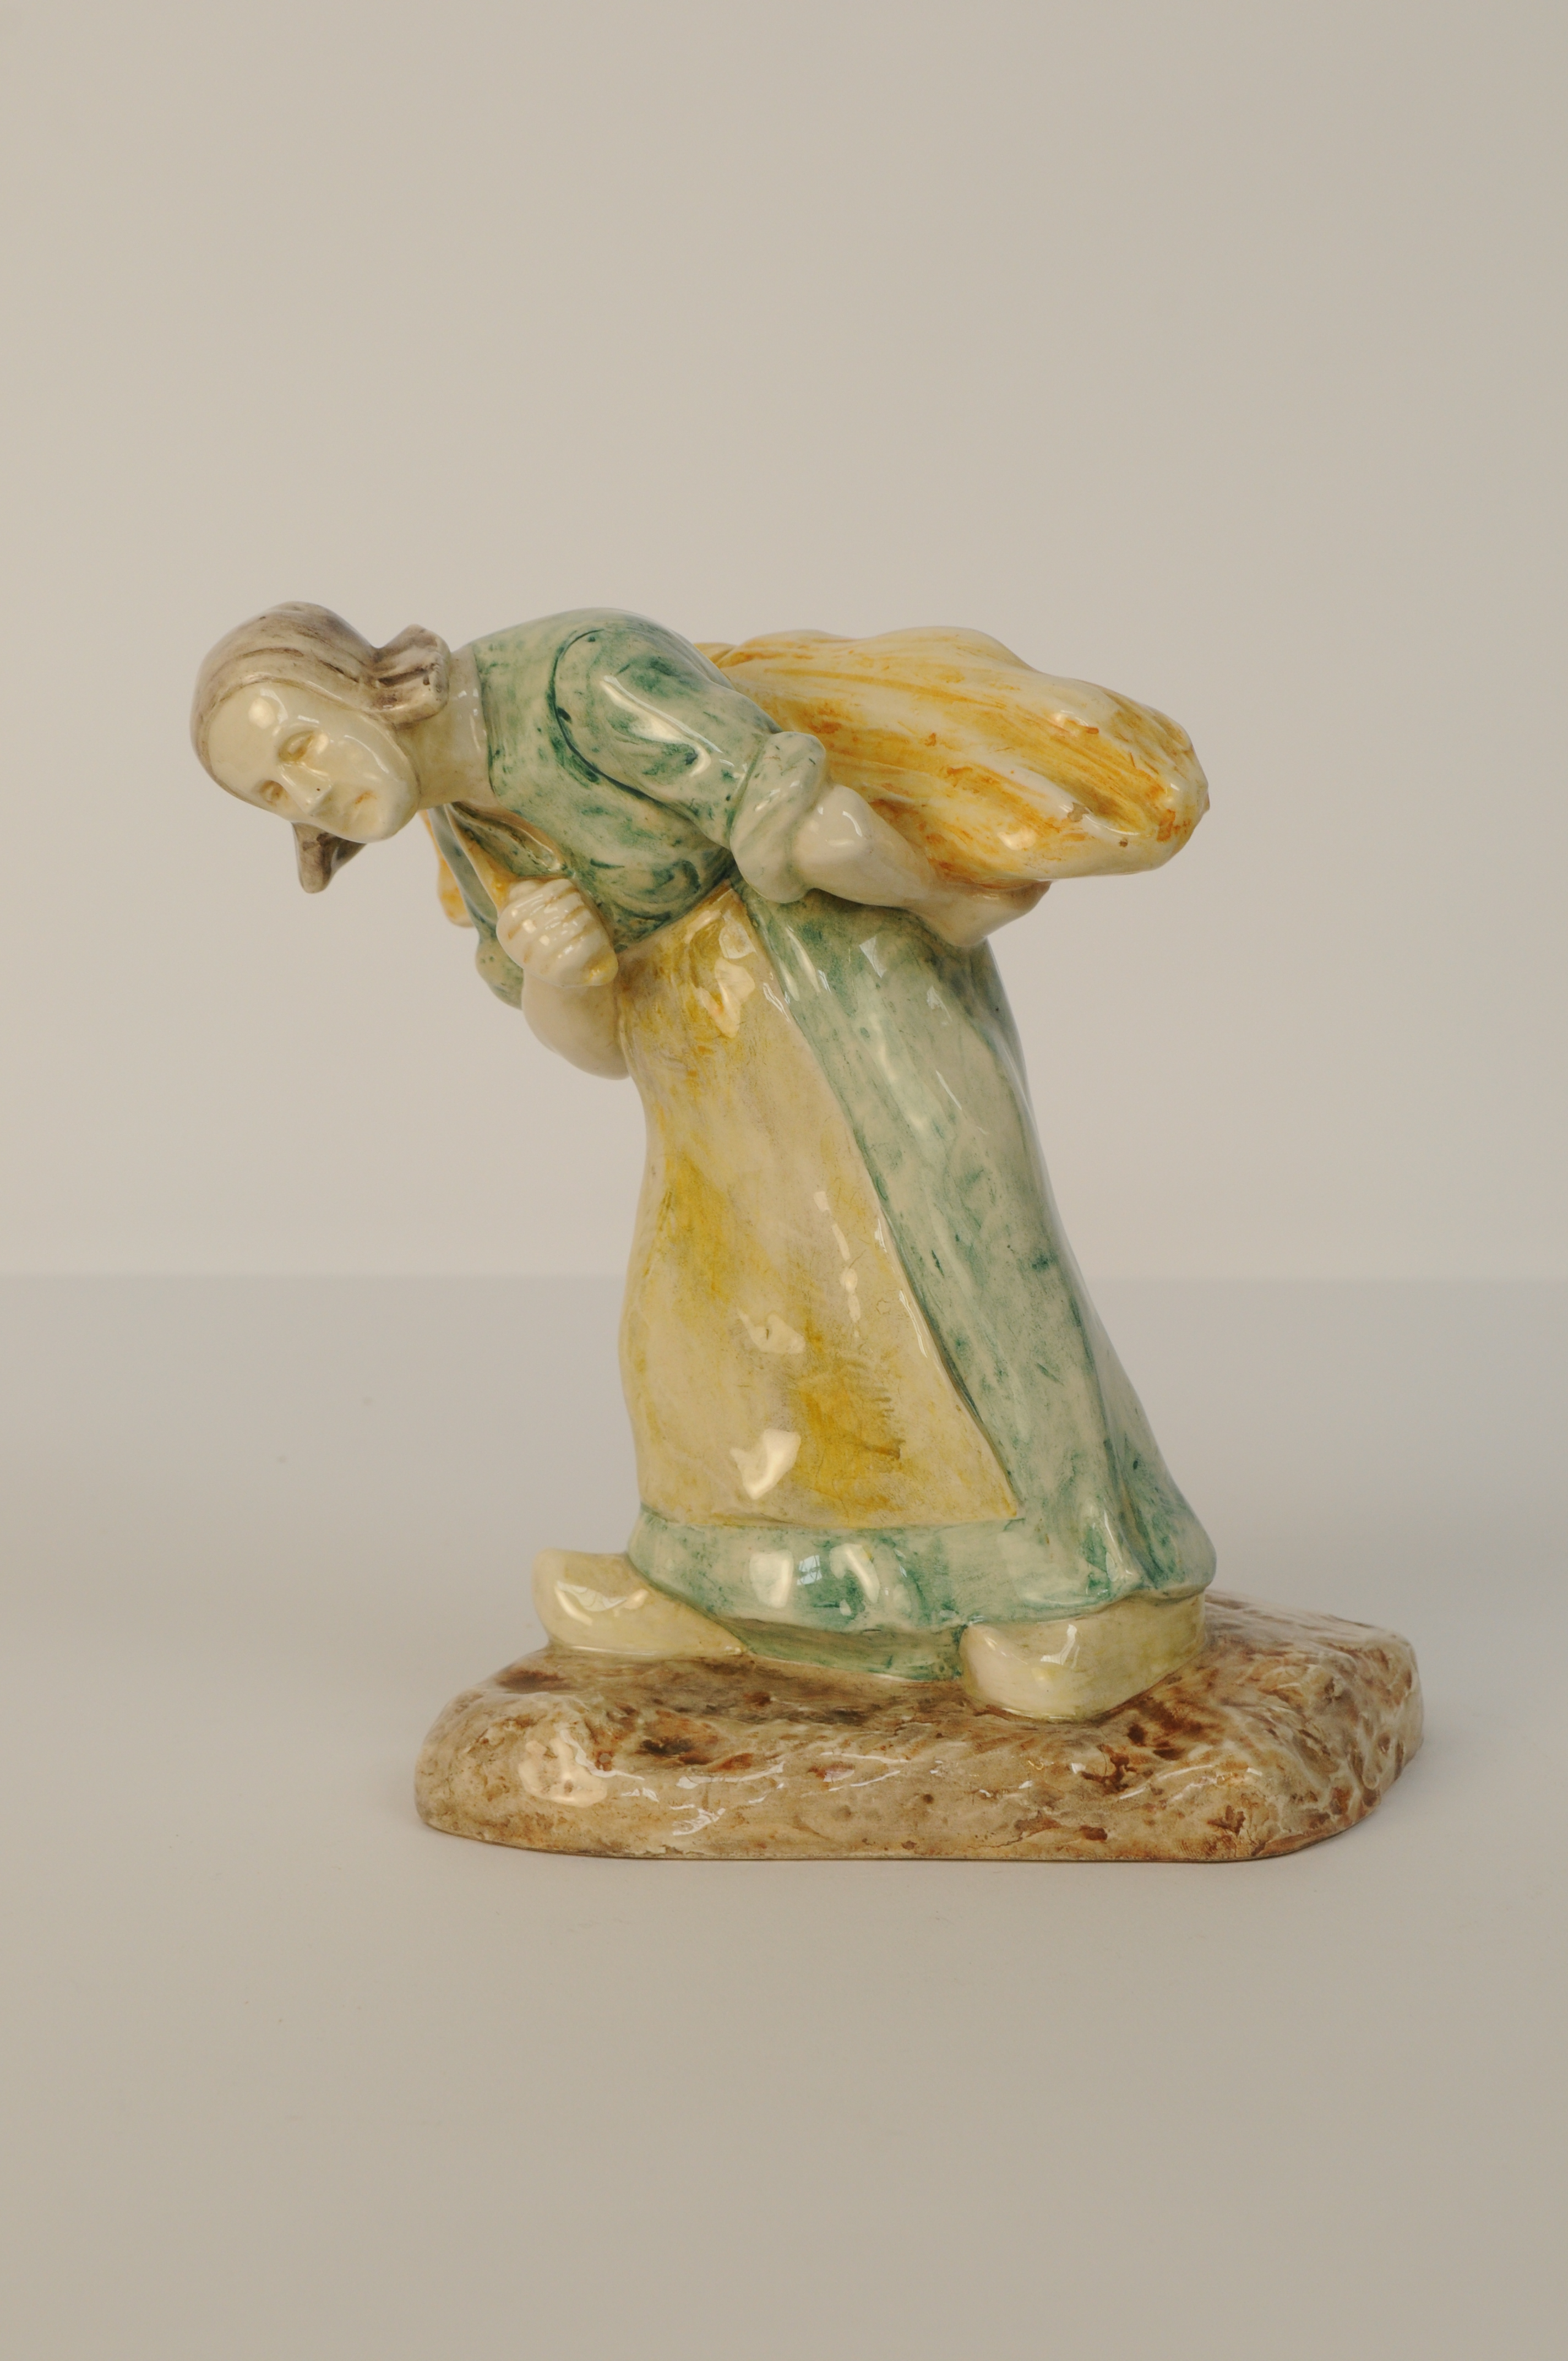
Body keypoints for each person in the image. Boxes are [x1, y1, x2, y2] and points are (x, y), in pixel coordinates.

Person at [192, 603, 1216, 1716]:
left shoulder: (580, 679)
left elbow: (811, 826)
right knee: (714, 1324)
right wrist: (561, 975)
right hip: (704, 1060)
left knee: (946, 1271)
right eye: (272, 794)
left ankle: (1098, 1588)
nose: (308, 791)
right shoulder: (459, 819)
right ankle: (729, 1588)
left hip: (839, 992)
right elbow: (594, 1048)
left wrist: (944, 900)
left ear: (365, 685)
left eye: (302, 744)